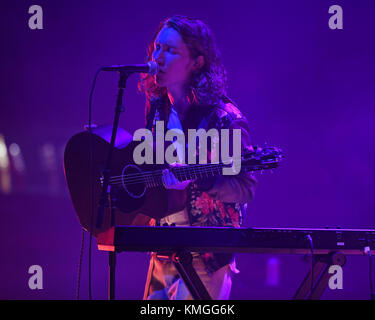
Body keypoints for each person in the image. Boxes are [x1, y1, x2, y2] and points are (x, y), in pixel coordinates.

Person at [138, 15, 257, 300]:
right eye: (157, 47)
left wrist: (203, 180)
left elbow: (245, 188)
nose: (159, 57)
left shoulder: (224, 118)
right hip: (163, 249)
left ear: (197, 62)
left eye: (171, 51)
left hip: (206, 255)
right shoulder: (157, 111)